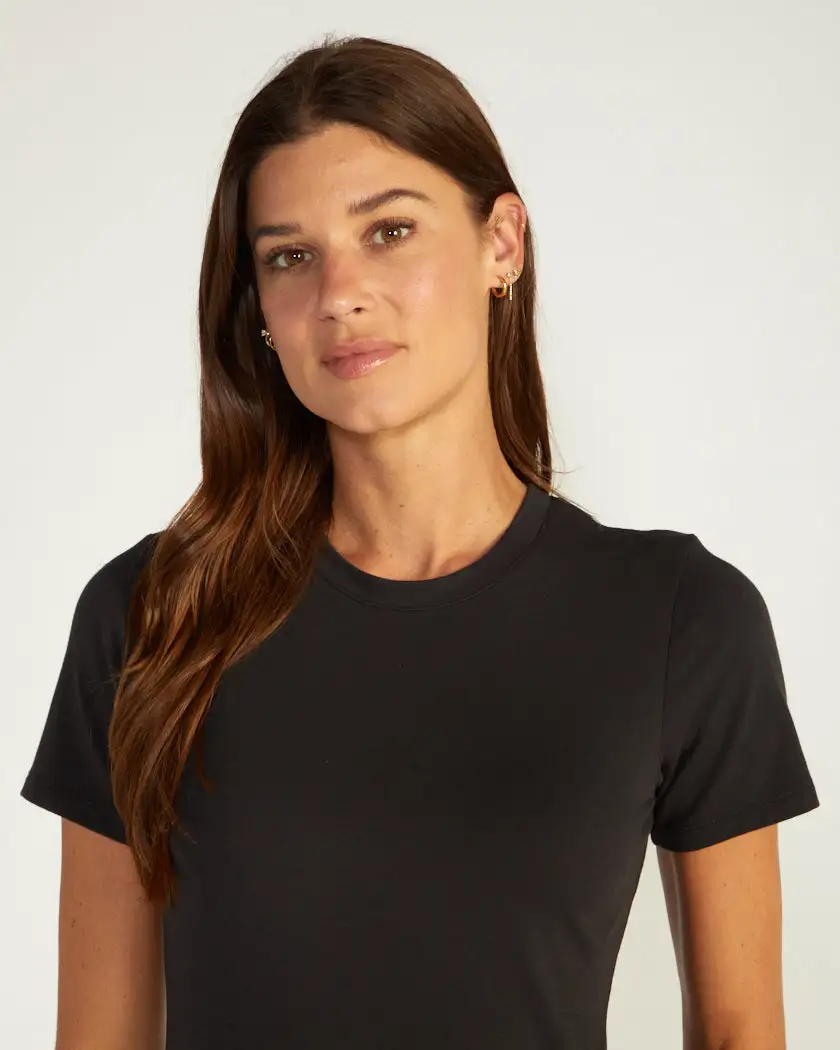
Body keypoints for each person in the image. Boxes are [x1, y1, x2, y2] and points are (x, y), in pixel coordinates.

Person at [20, 33, 819, 1050]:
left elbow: (743, 1032)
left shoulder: (680, 619)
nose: (339, 293)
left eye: (389, 231)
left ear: (502, 245)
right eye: (290, 256)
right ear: (257, 308)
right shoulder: (152, 616)